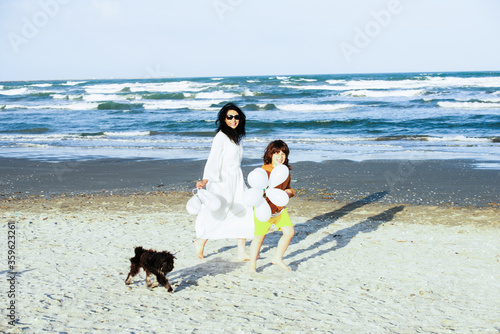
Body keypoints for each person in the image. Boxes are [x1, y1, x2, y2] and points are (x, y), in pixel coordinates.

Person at [194, 102, 254, 260]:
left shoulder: (237, 137)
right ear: (224, 119)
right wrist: (205, 180)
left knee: (244, 210)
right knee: (219, 212)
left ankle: (241, 251)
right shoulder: (221, 136)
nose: (234, 120)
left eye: (236, 117)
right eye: (230, 117)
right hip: (222, 180)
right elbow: (213, 159)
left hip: (237, 179)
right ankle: (200, 241)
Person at [248, 140, 295, 272]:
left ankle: (277, 258)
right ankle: (252, 265)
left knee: (289, 232)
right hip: (264, 209)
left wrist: (290, 192)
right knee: (259, 238)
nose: (280, 157)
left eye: (283, 154)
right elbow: (258, 188)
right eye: (276, 153)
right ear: (270, 154)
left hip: (279, 210)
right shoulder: (265, 170)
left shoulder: (285, 171)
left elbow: (288, 188)